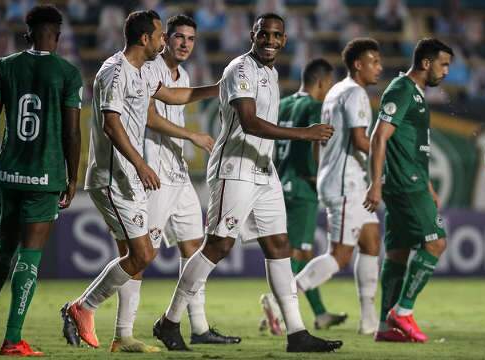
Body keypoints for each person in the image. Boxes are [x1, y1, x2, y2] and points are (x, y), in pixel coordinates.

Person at [152, 13, 343, 353]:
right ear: (252, 35)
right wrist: (304, 134)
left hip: (263, 170)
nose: (270, 40)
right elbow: (250, 122)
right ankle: (169, 321)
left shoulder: (270, 71)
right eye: (264, 34)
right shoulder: (240, 69)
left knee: (279, 245)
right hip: (235, 167)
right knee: (218, 246)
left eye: (276, 35)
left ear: (284, 40)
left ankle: (296, 333)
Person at [60, 10, 219, 352]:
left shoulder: (144, 71)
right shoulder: (114, 72)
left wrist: (217, 89)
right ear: (145, 39)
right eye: (162, 35)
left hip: (130, 176)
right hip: (113, 178)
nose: (165, 41)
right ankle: (82, 308)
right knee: (142, 253)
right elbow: (110, 125)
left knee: (139, 254)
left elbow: (163, 102)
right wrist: (142, 164)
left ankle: (119, 334)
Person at [0, 5, 83, 356]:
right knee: (30, 257)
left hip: (9, 175)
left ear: (27, 34)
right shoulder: (67, 73)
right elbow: (72, 134)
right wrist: (72, 178)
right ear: (57, 37)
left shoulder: (5, 66)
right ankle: (12, 339)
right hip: (44, 177)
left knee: (4, 249)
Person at [144, 14, 240, 345]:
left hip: (178, 172)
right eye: (179, 37)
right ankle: (118, 330)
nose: (185, 43)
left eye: (191, 39)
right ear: (165, 39)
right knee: (141, 253)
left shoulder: (182, 74)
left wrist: (216, 89)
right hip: (154, 172)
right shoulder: (149, 67)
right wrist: (193, 136)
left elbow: (179, 97)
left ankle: (199, 328)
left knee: (195, 250)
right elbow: (150, 119)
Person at [363, 38, 452, 343]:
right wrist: (375, 183)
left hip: (412, 181)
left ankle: (386, 328)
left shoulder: (415, 94)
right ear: (426, 63)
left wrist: (428, 184)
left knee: (399, 251)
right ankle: (402, 312)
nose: (446, 72)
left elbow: (412, 146)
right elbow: (378, 137)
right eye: (444, 64)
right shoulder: (401, 90)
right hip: (403, 182)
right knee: (436, 243)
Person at [294, 38, 383, 336]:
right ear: (358, 64)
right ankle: (283, 296)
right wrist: (388, 156)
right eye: (374, 62)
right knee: (341, 255)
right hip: (346, 184)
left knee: (371, 242)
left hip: (343, 179)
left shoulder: (333, 92)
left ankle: (369, 320)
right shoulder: (355, 94)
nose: (379, 68)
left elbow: (322, 141)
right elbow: (360, 140)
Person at [259, 57, 346, 335]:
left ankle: (320, 314)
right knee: (296, 251)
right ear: (321, 82)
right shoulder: (315, 106)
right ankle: (275, 304)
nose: (330, 89)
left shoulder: (283, 104)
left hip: (279, 183)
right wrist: (316, 175)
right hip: (302, 187)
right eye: (329, 83)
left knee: (304, 251)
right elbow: (313, 146)